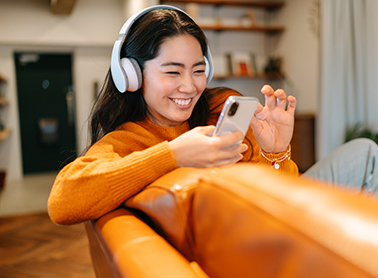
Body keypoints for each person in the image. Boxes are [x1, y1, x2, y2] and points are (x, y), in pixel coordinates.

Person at [47, 5, 377, 226]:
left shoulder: (221, 104)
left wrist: (276, 152)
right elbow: (62, 201)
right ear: (131, 76)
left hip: (274, 211)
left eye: (198, 70)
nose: (189, 86)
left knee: (365, 153)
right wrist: (172, 155)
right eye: (172, 72)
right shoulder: (127, 141)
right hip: (248, 232)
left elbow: (281, 191)